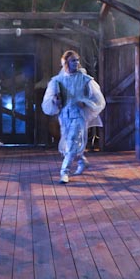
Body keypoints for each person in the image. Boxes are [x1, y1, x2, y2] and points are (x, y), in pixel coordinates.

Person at [42, 50, 106, 184]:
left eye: (77, 60)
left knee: (72, 141)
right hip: (64, 116)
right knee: (68, 143)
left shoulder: (85, 79)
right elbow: (49, 100)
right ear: (66, 62)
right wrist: (55, 101)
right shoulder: (57, 80)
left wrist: (85, 102)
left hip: (78, 115)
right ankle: (82, 161)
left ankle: (64, 172)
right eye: (73, 60)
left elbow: (98, 99)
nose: (76, 63)